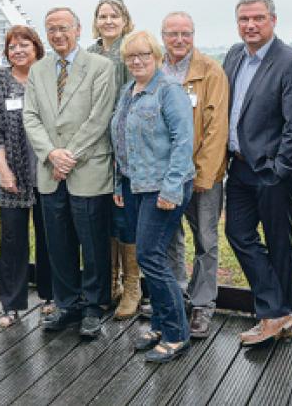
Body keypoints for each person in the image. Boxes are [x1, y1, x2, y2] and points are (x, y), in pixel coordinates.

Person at [222, 0, 292, 347]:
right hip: (240, 168)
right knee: (238, 234)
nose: (250, 25)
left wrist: (281, 169)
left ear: (273, 20)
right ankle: (277, 310)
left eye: (258, 18)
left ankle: (281, 315)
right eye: (244, 19)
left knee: (279, 243)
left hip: (273, 171)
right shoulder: (233, 55)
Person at [23, 7, 117, 339]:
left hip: (87, 168)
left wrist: (69, 156)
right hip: (51, 171)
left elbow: (100, 116)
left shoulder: (102, 67)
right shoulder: (38, 70)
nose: (57, 34)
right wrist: (51, 153)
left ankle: (93, 306)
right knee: (57, 241)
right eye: (51, 29)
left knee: (92, 243)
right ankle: (67, 304)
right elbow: (30, 116)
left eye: (63, 28)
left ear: (78, 29)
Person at [111, 30, 195, 363]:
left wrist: (171, 189)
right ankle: (160, 324)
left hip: (163, 186)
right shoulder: (127, 92)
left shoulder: (169, 91)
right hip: (134, 186)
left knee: (151, 257)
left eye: (144, 54)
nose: (137, 61)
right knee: (152, 256)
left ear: (156, 56)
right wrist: (119, 185)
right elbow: (121, 141)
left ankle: (177, 334)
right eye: (131, 56)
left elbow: (183, 144)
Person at [158, 12, 229, 339]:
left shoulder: (210, 71)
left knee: (206, 240)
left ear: (194, 34)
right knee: (171, 239)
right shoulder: (156, 68)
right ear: (163, 36)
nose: (179, 40)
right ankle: (175, 297)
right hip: (165, 174)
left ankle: (202, 305)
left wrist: (205, 173)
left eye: (185, 33)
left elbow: (217, 129)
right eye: (172, 34)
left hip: (201, 175)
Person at [0, 25, 55, 327]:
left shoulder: (48, 77)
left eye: (25, 44)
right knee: (12, 240)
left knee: (50, 237)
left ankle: (52, 297)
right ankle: (11, 304)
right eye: (13, 46)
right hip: (12, 174)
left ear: (37, 47)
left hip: (49, 173)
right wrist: (3, 169)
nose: (19, 51)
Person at [87, 0, 140, 318]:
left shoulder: (129, 50)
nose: (107, 21)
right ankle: (109, 283)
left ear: (124, 19)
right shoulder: (90, 54)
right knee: (102, 217)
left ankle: (132, 286)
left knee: (125, 218)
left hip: (124, 146)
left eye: (113, 16)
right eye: (102, 16)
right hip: (94, 147)